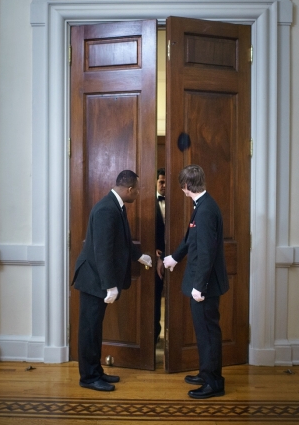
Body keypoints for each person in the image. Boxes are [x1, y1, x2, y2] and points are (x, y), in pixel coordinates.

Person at [72, 170, 153, 392]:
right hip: (93, 279)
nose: (138, 193)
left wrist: (139, 256)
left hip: (97, 278)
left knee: (95, 329)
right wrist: (109, 284)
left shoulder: (116, 206)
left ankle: (95, 372)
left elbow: (123, 239)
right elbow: (103, 251)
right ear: (129, 189)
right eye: (137, 189)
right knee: (89, 330)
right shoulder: (107, 209)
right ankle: (88, 377)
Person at [163, 164, 228, 399]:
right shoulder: (202, 205)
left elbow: (207, 253)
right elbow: (191, 239)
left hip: (205, 286)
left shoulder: (206, 210)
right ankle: (205, 373)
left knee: (208, 333)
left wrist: (199, 286)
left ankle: (213, 383)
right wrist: (174, 257)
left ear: (187, 186)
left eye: (182, 185)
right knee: (203, 333)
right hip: (202, 283)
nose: (182, 189)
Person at [154, 168, 166, 347]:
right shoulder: (149, 202)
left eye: (166, 182)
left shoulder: (178, 202)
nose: (164, 186)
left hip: (175, 257)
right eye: (161, 182)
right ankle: (154, 336)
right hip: (155, 258)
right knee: (155, 298)